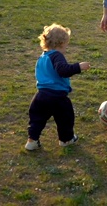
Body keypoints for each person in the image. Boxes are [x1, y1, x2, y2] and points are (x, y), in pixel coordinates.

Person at [25, 23, 90, 151]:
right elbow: (63, 70)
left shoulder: (42, 57)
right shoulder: (56, 55)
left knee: (37, 119)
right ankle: (66, 139)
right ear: (61, 43)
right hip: (57, 96)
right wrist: (78, 67)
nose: (66, 47)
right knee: (65, 118)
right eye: (66, 43)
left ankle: (32, 140)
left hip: (41, 95)